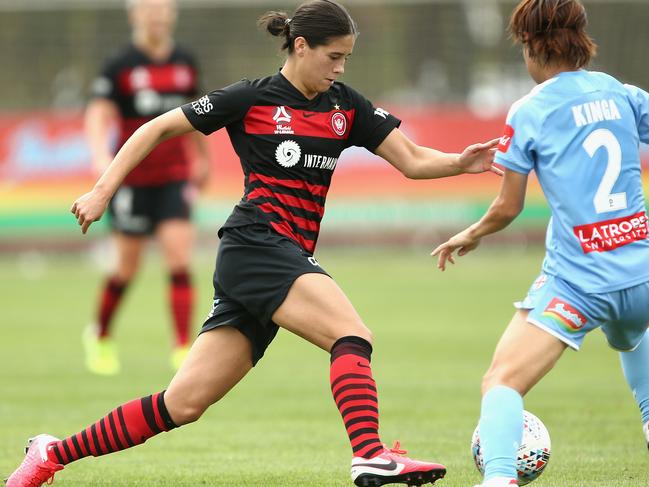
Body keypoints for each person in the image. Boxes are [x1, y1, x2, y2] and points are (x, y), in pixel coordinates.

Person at [5, 1, 499, 486]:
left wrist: (462, 162)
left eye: (347, 57)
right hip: (256, 243)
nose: (341, 67)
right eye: (333, 56)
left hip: (278, 257)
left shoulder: (345, 105)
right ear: (300, 46)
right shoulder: (252, 98)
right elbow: (156, 127)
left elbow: (411, 160)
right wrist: (102, 190)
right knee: (352, 335)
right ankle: (370, 455)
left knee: (182, 404)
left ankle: (52, 453)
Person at [431, 1, 649, 486]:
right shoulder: (620, 92)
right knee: (631, 334)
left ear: (531, 46)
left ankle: (500, 477)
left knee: (502, 381)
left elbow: (508, 208)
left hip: (579, 286)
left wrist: (470, 233)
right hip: (642, 277)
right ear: (580, 39)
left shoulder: (531, 109)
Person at [83, 0, 211, 375]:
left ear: (172, 14)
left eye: (162, 9)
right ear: (134, 15)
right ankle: (101, 335)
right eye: (148, 10)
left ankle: (182, 349)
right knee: (126, 268)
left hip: (174, 176)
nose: (156, 16)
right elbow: (97, 112)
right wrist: (97, 155)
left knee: (179, 259)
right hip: (132, 181)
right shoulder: (120, 63)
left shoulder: (185, 60)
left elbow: (198, 111)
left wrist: (203, 158)